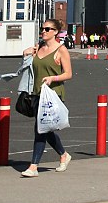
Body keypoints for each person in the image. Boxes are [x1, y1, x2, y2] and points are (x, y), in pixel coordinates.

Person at [19, 19, 73, 177]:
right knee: (45, 128)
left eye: (47, 29)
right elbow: (28, 70)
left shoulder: (61, 50)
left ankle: (33, 166)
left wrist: (52, 78)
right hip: (36, 94)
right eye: (43, 29)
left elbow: (68, 74)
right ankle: (63, 154)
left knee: (40, 129)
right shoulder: (38, 47)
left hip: (53, 96)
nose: (44, 31)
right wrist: (25, 54)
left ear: (55, 32)